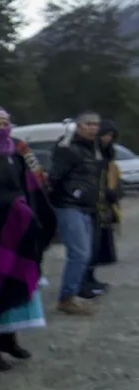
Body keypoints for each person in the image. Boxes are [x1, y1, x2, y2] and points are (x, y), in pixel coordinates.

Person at [0, 108, 57, 370]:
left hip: (18, 232)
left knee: (14, 286)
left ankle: (9, 339)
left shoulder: (15, 152)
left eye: (5, 123)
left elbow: (28, 187)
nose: (2, 128)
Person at [48, 112, 102, 315]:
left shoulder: (91, 148)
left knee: (84, 253)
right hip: (69, 205)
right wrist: (69, 194)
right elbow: (55, 176)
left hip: (85, 207)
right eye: (88, 124)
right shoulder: (68, 148)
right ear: (78, 126)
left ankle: (72, 294)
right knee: (79, 253)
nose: (93, 128)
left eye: (96, 124)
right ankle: (67, 297)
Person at [81, 118, 122, 298]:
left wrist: (113, 193)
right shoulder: (91, 153)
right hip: (90, 204)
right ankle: (83, 282)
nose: (107, 139)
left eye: (111, 136)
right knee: (87, 246)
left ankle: (91, 278)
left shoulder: (108, 154)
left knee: (98, 245)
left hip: (104, 206)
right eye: (105, 135)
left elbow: (113, 176)